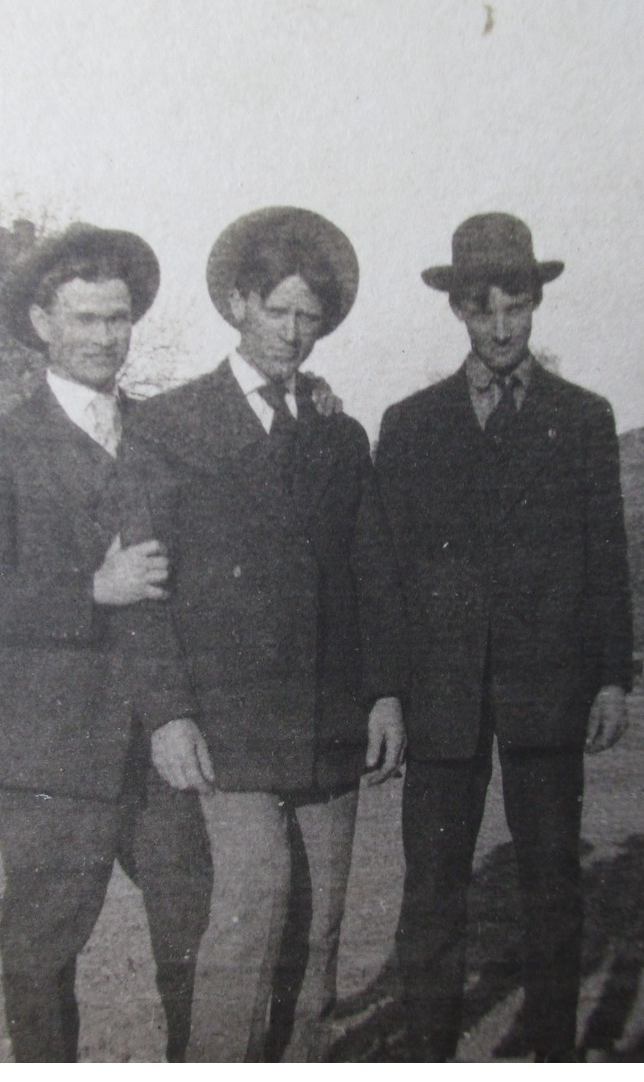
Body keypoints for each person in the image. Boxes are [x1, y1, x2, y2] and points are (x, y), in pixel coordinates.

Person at [355, 212, 634, 1061]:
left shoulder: (582, 418)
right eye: (484, 308)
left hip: (549, 690)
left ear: (537, 306)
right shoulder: (410, 423)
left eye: (517, 305)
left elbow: (605, 553)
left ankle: (551, 1054)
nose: (502, 326)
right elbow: (385, 570)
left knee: (552, 886)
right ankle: (430, 1055)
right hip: (440, 699)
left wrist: (613, 675)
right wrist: (388, 690)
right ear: (459, 313)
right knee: (433, 891)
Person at [131, 207, 405, 1061]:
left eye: (309, 319)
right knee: (249, 918)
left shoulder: (338, 433)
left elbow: (373, 580)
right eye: (277, 311)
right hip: (227, 725)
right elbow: (143, 588)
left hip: (330, 719)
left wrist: (386, 690)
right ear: (240, 304)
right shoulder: (168, 425)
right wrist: (169, 713)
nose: (292, 334)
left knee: (321, 929)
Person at [0, 224, 212, 1062]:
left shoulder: (165, 439)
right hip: (47, 753)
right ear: (42, 323)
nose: (104, 338)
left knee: (195, 933)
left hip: (160, 744)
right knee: (44, 952)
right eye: (85, 319)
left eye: (118, 320)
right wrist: (90, 590)